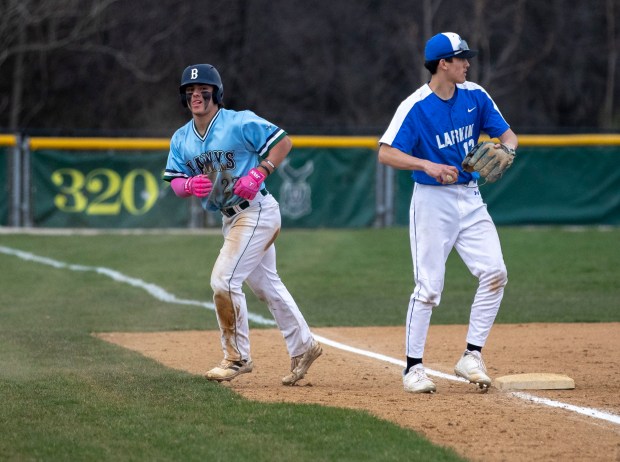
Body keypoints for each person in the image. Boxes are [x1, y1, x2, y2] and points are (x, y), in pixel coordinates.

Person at [163, 64, 322, 385]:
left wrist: (261, 171)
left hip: (257, 211)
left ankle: (237, 358)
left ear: (216, 93)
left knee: (224, 281)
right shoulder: (181, 138)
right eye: (190, 92)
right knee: (266, 286)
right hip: (231, 218)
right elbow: (175, 182)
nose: (195, 95)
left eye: (202, 90)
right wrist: (190, 186)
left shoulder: (238, 121)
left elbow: (283, 142)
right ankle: (305, 345)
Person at [378, 33, 518, 393]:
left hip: (471, 199)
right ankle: (413, 369)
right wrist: (427, 165)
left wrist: (507, 150)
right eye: (461, 58)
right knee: (428, 288)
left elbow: (508, 136)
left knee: (495, 273)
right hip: (431, 203)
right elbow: (386, 152)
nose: (467, 64)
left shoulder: (475, 95)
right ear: (444, 63)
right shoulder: (416, 105)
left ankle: (471, 354)